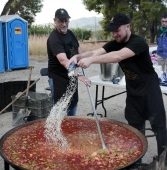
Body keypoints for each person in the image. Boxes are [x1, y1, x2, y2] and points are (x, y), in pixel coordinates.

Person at [67, 13, 167, 157]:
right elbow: (95, 52)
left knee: (159, 130)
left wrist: (92, 61)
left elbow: (118, 56)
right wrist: (78, 56)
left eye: (117, 30)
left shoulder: (138, 42)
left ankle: (163, 162)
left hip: (150, 93)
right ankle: (136, 162)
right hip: (133, 94)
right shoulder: (115, 42)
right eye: (112, 31)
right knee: (135, 132)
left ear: (128, 27)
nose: (114, 34)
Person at [47, 8, 90, 116]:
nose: (64, 24)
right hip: (58, 77)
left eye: (66, 21)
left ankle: (72, 124)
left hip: (71, 74)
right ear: (55, 21)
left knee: (73, 102)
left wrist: (84, 59)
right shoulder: (54, 38)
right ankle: (57, 129)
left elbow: (78, 49)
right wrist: (79, 75)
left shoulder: (70, 33)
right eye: (61, 21)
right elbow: (64, 61)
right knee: (60, 106)